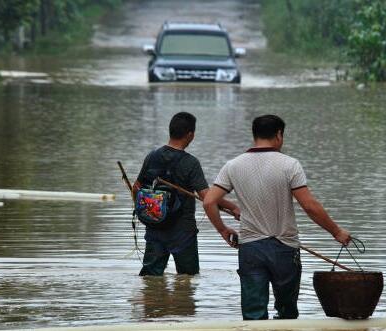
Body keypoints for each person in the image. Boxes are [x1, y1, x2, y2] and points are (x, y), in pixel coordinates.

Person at [203, 114, 351, 320]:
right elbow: (309, 206)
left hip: (250, 249)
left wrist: (222, 229)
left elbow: (209, 201)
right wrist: (336, 231)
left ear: (254, 135)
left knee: (253, 314)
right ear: (279, 135)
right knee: (287, 312)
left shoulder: (233, 166)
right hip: (284, 248)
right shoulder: (290, 165)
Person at [133, 112, 239, 276]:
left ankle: (152, 300)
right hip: (182, 232)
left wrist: (148, 212)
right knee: (188, 278)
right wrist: (231, 212)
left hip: (154, 228)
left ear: (171, 130)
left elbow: (136, 188)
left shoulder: (152, 156)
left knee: (150, 277)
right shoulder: (190, 162)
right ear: (190, 135)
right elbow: (207, 197)